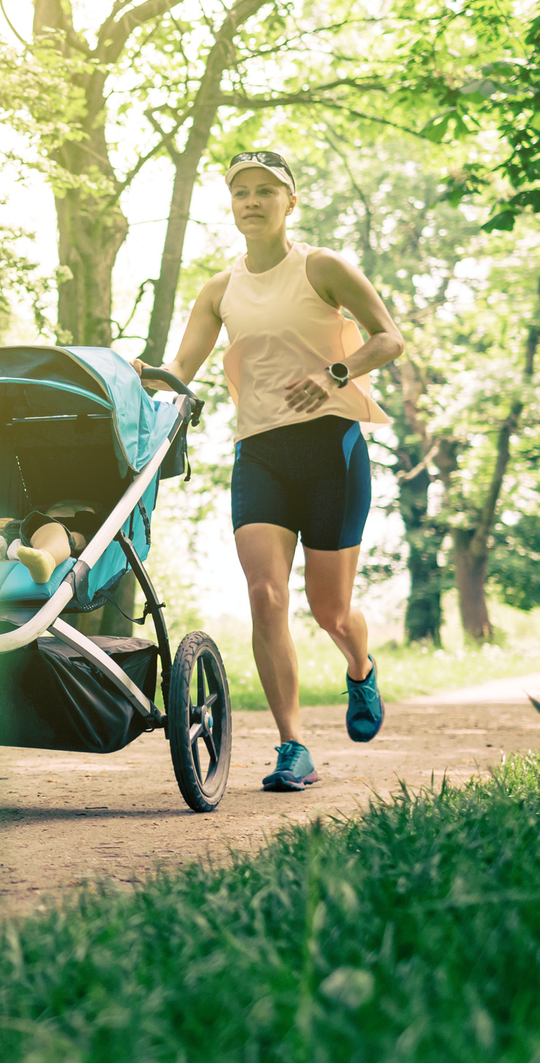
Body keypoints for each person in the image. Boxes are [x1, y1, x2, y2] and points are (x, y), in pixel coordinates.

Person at [138, 149, 405, 793]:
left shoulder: (322, 268)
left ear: (291, 203)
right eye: (240, 193)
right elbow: (181, 373)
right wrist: (138, 378)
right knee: (265, 596)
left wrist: (336, 372)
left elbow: (389, 339)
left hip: (331, 448)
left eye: (265, 191)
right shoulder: (219, 291)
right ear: (231, 207)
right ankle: (293, 746)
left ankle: (360, 667)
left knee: (330, 610)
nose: (252, 201)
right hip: (259, 452)